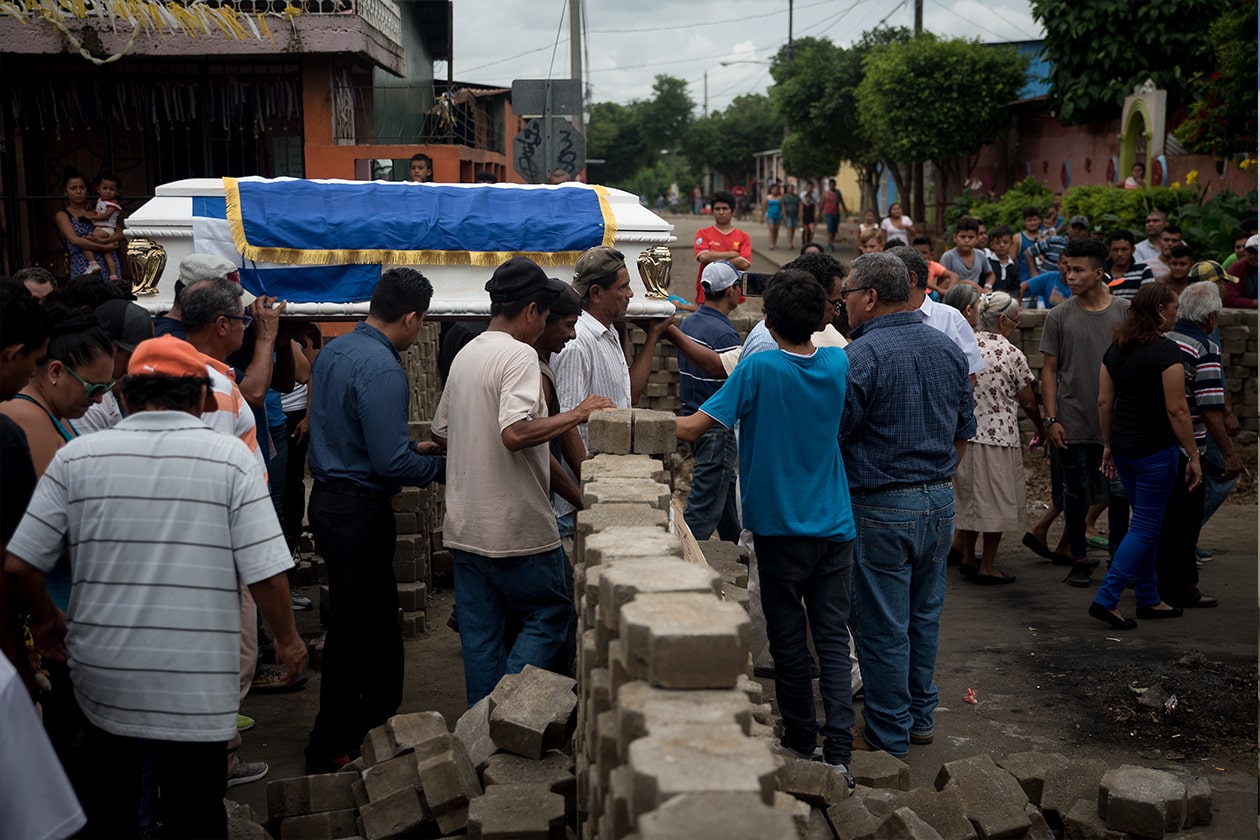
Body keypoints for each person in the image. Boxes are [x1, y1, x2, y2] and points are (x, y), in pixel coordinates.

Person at [4, 335, 304, 838]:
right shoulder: (229, 459)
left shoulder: (78, 457)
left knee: (115, 808)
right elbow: (266, 572)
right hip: (196, 685)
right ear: (201, 398)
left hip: (103, 679)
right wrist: (290, 641)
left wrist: (48, 620)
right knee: (195, 812)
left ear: (124, 395)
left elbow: (20, 566)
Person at [676, 271, 858, 785]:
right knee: (831, 641)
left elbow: (693, 427)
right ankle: (840, 751)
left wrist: (622, 415)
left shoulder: (758, 370)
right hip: (835, 527)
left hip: (779, 530)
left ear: (767, 321)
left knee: (788, 644)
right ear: (823, 316)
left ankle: (802, 741)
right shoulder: (838, 363)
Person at [433, 258, 613, 705]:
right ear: (532, 311)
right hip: (517, 531)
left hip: (465, 528)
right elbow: (514, 433)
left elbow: (441, 432)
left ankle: (480, 738)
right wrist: (577, 413)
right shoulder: (520, 355)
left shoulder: (468, 352)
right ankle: (505, 711)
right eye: (547, 318)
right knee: (552, 613)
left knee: (481, 639)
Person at [304, 268, 446, 771]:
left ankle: (367, 725)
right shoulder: (384, 368)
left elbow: (356, 438)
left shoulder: (337, 351)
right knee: (355, 629)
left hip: (329, 501)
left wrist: (412, 447)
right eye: (421, 322)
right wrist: (441, 466)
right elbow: (390, 466)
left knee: (368, 622)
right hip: (358, 510)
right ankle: (332, 744)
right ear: (411, 317)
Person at [840, 252, 975, 758]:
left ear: (870, 298)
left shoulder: (862, 357)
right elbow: (964, 431)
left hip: (881, 505)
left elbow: (839, 432)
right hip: (938, 502)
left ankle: (887, 733)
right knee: (923, 618)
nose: (844, 304)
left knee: (882, 627)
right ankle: (918, 717)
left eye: (847, 294)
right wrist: (933, 478)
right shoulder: (946, 347)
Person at [1089, 284, 1200, 629]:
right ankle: (1107, 598)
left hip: (1124, 448)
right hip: (1155, 451)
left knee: (1145, 525)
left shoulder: (1116, 348)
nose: (1177, 314)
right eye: (1174, 308)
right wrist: (1193, 454)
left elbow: (1104, 403)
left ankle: (1150, 597)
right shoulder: (1166, 351)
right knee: (1145, 527)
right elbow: (1177, 409)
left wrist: (1108, 444)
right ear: (1160, 312)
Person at [1040, 237, 1130, 588]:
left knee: (1119, 496)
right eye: (1067, 268)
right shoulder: (1059, 315)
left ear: (1098, 272)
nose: (1070, 275)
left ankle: (1119, 561)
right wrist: (1051, 419)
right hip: (1073, 417)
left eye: (1078, 270)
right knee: (1074, 493)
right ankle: (1078, 556)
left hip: (1117, 422)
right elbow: (1049, 369)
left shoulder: (1124, 312)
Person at [950, 292, 1045, 583]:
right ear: (1003, 320)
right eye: (1014, 321)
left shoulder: (963, 346)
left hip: (965, 436)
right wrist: (1041, 428)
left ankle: (967, 556)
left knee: (969, 497)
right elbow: (1028, 401)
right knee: (994, 502)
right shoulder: (1011, 354)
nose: (1015, 327)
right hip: (999, 437)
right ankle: (987, 565)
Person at [1158, 282, 1237, 609]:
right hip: (1191, 446)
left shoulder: (1163, 340)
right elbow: (1209, 407)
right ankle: (1183, 588)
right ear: (1212, 317)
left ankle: (1154, 581)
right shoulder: (1205, 348)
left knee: (1162, 519)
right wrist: (1229, 453)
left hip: (1158, 444)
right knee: (1185, 523)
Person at [677, 261, 744, 542]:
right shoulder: (724, 334)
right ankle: (681, 559)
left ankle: (735, 547)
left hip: (693, 419)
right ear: (731, 290)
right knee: (702, 510)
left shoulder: (690, 322)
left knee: (723, 493)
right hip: (715, 427)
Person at [886, 245, 984, 378]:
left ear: (911, 279)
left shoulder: (951, 319)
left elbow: (969, 377)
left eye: (889, 277)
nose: (882, 283)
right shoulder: (879, 318)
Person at [76, 298, 155, 434]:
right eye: (131, 355)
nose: (134, 364)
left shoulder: (113, 390)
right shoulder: (89, 404)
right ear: (112, 348)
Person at [53, 169, 124, 279]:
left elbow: (119, 232)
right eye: (73, 188)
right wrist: (104, 247)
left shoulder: (96, 211)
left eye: (82, 188)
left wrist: (107, 241)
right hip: (83, 265)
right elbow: (75, 240)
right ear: (65, 191)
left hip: (108, 265)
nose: (78, 192)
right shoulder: (63, 215)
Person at [693, 191, 752, 302]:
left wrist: (713, 259)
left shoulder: (743, 236)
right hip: (707, 292)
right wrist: (732, 254)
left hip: (733, 293)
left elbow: (744, 264)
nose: (721, 212)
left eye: (725, 208)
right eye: (717, 209)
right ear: (712, 211)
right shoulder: (702, 233)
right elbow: (703, 258)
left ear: (733, 211)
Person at [85, 173, 125, 281]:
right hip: (102, 228)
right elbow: (99, 208)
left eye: (111, 189)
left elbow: (106, 215)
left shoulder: (113, 204)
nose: (107, 191)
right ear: (98, 189)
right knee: (108, 254)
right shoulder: (101, 200)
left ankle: (93, 263)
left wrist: (91, 217)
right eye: (105, 188)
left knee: (86, 241)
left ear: (117, 192)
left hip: (106, 229)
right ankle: (113, 276)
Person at [1025, 214, 1090, 279]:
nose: (1076, 231)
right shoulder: (1053, 241)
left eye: (1080, 229)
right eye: (1074, 228)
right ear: (1068, 229)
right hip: (1043, 283)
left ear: (1086, 232)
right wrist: (1034, 273)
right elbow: (1028, 252)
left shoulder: (1087, 251)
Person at [940, 217, 995, 287]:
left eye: (971, 237)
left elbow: (991, 274)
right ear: (955, 238)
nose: (966, 240)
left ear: (977, 238)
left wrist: (988, 287)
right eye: (962, 237)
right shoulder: (948, 257)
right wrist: (968, 284)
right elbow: (943, 282)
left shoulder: (980, 255)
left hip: (976, 295)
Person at [1104, 230, 1155, 300]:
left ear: (1133, 250)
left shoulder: (1143, 270)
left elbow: (1149, 298)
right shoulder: (1101, 273)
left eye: (1124, 249)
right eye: (1115, 250)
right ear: (1109, 251)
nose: (1119, 254)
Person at [1222, 235, 1257, 308]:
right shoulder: (1237, 267)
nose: (1253, 256)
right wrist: (1255, 303)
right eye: (1250, 252)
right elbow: (1228, 298)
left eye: (1256, 252)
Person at [986, 225, 1020, 296]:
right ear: (991, 245)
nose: (1001, 245)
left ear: (1011, 243)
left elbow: (1016, 288)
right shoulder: (987, 263)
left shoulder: (1014, 265)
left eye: (1005, 242)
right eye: (997, 243)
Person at [1016, 206, 1043, 289]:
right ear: (1024, 222)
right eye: (1029, 220)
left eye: (1035, 220)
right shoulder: (1017, 238)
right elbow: (1012, 261)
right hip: (1024, 282)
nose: (1032, 223)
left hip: (1043, 281)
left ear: (1039, 220)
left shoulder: (1046, 236)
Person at [762, 182, 784, 251]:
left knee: (776, 230)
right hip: (770, 215)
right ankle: (771, 244)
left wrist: (784, 215)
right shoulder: (767, 198)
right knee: (771, 229)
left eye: (776, 189)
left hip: (778, 215)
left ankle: (775, 243)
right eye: (773, 189)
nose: (775, 190)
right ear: (771, 190)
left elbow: (782, 207)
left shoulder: (780, 198)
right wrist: (762, 217)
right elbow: (764, 208)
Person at [822, 179, 841, 252]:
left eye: (833, 185)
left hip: (836, 213)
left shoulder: (837, 193)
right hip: (828, 213)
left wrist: (845, 212)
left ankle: (832, 241)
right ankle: (830, 244)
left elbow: (841, 201)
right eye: (831, 185)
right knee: (830, 228)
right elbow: (822, 203)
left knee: (834, 229)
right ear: (829, 185)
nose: (832, 186)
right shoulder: (826, 193)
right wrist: (820, 213)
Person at [782, 183, 801, 250]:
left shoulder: (796, 197)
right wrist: (784, 215)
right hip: (788, 215)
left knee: (793, 229)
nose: (791, 190)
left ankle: (792, 242)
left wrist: (799, 214)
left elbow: (799, 205)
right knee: (789, 228)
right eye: (789, 188)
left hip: (795, 214)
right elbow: (783, 206)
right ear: (787, 189)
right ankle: (789, 243)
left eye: (792, 188)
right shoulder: (784, 197)